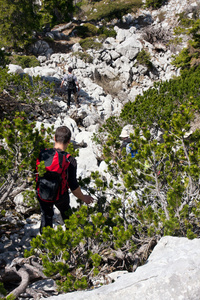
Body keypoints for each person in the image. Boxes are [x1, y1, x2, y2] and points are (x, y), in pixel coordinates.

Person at [36, 126, 93, 233]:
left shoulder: (42, 153)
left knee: (46, 215)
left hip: (43, 193)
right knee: (66, 212)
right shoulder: (69, 160)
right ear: (68, 141)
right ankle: (71, 236)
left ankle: (45, 243)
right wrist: (83, 197)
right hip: (60, 195)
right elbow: (73, 185)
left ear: (54, 138)